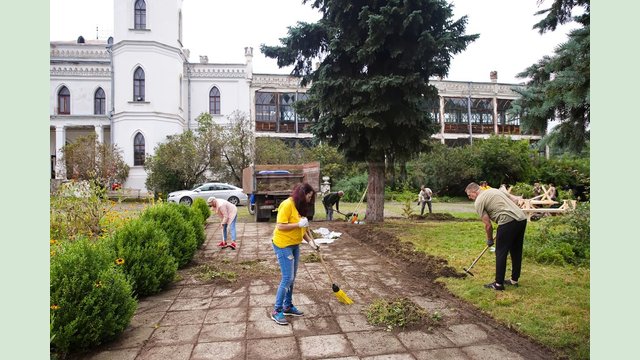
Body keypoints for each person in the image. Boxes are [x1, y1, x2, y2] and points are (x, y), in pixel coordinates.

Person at [465, 182, 528, 291]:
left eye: (469, 195)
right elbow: (515, 201)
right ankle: (514, 280)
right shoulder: (494, 190)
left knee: (500, 252)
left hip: (507, 221)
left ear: (474, 192)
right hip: (521, 218)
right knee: (516, 250)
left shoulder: (479, 201)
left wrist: (489, 240)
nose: (470, 198)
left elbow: (488, 225)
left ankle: (498, 284)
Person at [270, 183, 318, 325]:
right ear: (302, 195)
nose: (309, 200)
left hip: (294, 245)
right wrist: (298, 225)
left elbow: (303, 231)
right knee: (287, 278)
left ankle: (287, 306)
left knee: (293, 277)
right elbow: (280, 225)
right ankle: (276, 311)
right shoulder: (287, 204)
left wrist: (310, 242)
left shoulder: (300, 206)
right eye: (308, 197)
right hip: (283, 245)